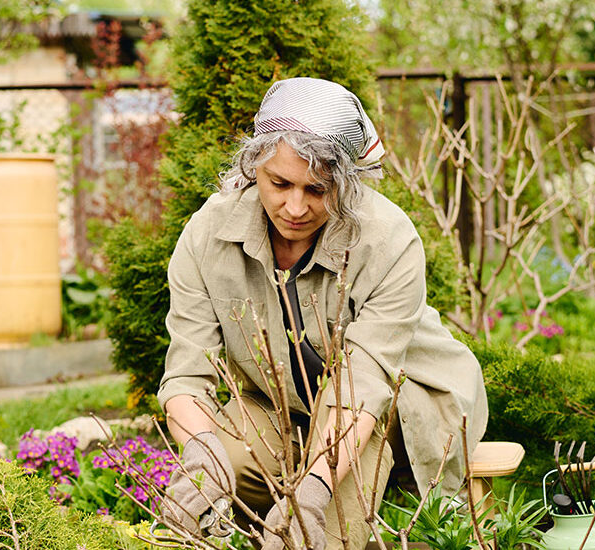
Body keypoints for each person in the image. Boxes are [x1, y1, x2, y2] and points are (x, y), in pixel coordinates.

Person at [158, 77, 488, 549]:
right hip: (281, 405)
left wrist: (313, 492)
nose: (295, 207)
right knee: (220, 463)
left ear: (347, 184)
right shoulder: (208, 234)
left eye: (317, 189)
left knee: (325, 514)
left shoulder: (388, 239)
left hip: (395, 404)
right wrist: (201, 455)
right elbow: (187, 375)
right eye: (279, 183)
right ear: (253, 167)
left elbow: (364, 388)